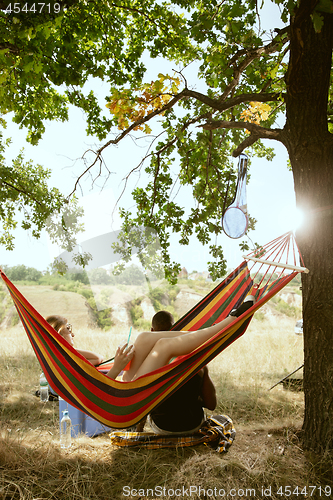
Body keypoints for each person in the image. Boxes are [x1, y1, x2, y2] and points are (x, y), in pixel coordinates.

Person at [106, 295, 255, 433]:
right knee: (163, 345)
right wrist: (116, 368)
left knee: (147, 338)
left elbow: (103, 387)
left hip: (129, 398)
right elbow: (211, 405)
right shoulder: (193, 363)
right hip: (128, 404)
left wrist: (117, 367)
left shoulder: (88, 370)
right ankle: (222, 326)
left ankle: (225, 324)